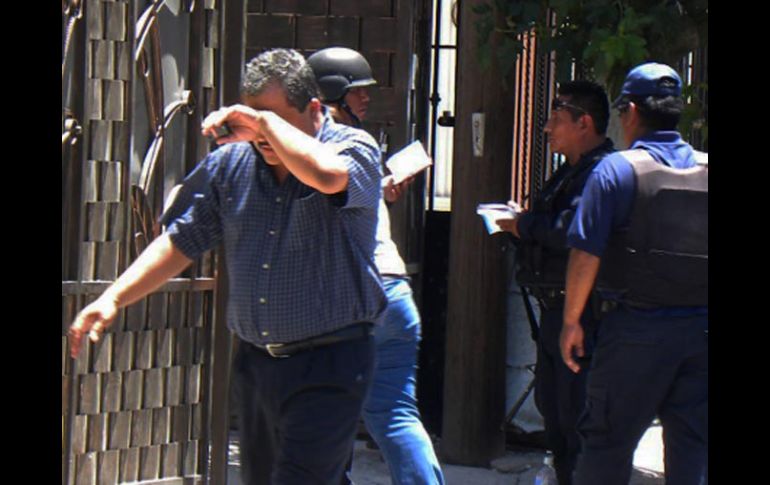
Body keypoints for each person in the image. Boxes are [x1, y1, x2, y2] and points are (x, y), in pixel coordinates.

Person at [68, 48, 387, 485]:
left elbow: (328, 177)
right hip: (257, 366)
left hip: (330, 361)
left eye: (274, 120)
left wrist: (264, 125)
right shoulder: (231, 164)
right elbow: (182, 240)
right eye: (254, 120)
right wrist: (114, 298)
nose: (263, 136)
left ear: (314, 109)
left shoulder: (352, 147)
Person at [560, 62, 708, 484]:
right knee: (692, 451)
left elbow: (585, 252)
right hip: (700, 335)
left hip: (635, 332)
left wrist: (571, 321)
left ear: (631, 112)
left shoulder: (617, 169)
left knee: (606, 446)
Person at [308, 47, 445, 485]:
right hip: (395, 295)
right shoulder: (358, 149)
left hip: (352, 298)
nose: (367, 98)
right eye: (358, 91)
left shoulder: (312, 150)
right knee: (395, 413)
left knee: (324, 412)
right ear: (332, 93)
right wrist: (382, 191)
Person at [497, 80, 614, 485]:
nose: (547, 128)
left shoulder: (603, 173)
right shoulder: (570, 172)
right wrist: (520, 222)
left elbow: (572, 232)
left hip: (583, 316)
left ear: (584, 123)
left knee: (577, 420)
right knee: (556, 416)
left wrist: (523, 224)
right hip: (554, 311)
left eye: (556, 118)